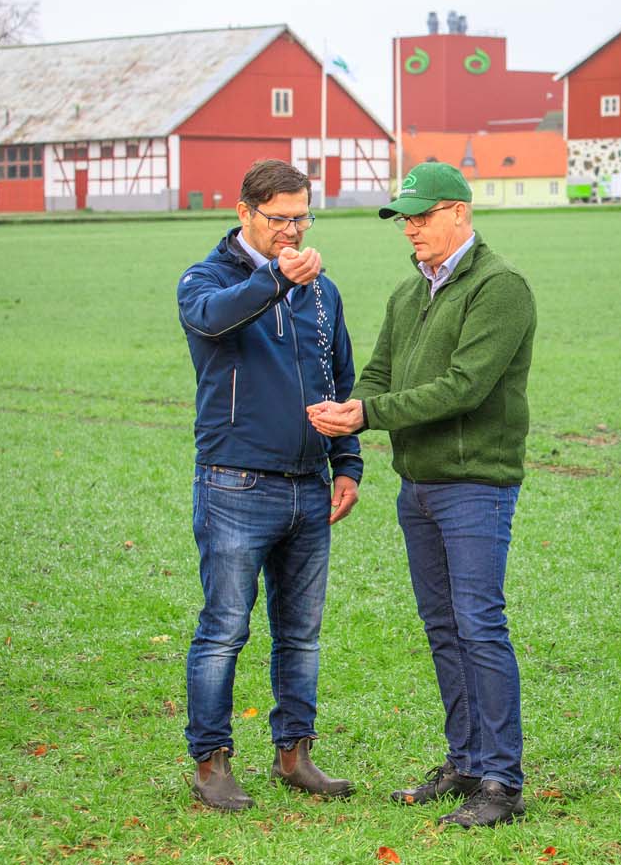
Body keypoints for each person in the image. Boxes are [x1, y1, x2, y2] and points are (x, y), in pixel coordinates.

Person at [308, 162, 537, 828]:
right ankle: (466, 761)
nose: (410, 227)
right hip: (421, 484)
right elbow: (379, 371)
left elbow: (465, 385)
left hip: (475, 484)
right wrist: (345, 407)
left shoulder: (500, 289)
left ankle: (501, 782)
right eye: (404, 217)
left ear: (458, 213)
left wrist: (368, 416)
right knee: (443, 627)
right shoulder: (412, 295)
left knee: (479, 624)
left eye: (421, 214)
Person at [177, 159, 362, 811]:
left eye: (301, 217)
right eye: (279, 218)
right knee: (225, 629)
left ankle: (295, 755)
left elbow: (337, 378)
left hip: (308, 488)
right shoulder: (205, 279)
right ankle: (211, 764)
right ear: (244, 212)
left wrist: (348, 464)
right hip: (235, 485)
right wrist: (275, 278)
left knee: (302, 633)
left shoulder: (322, 290)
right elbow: (211, 322)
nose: (292, 229)